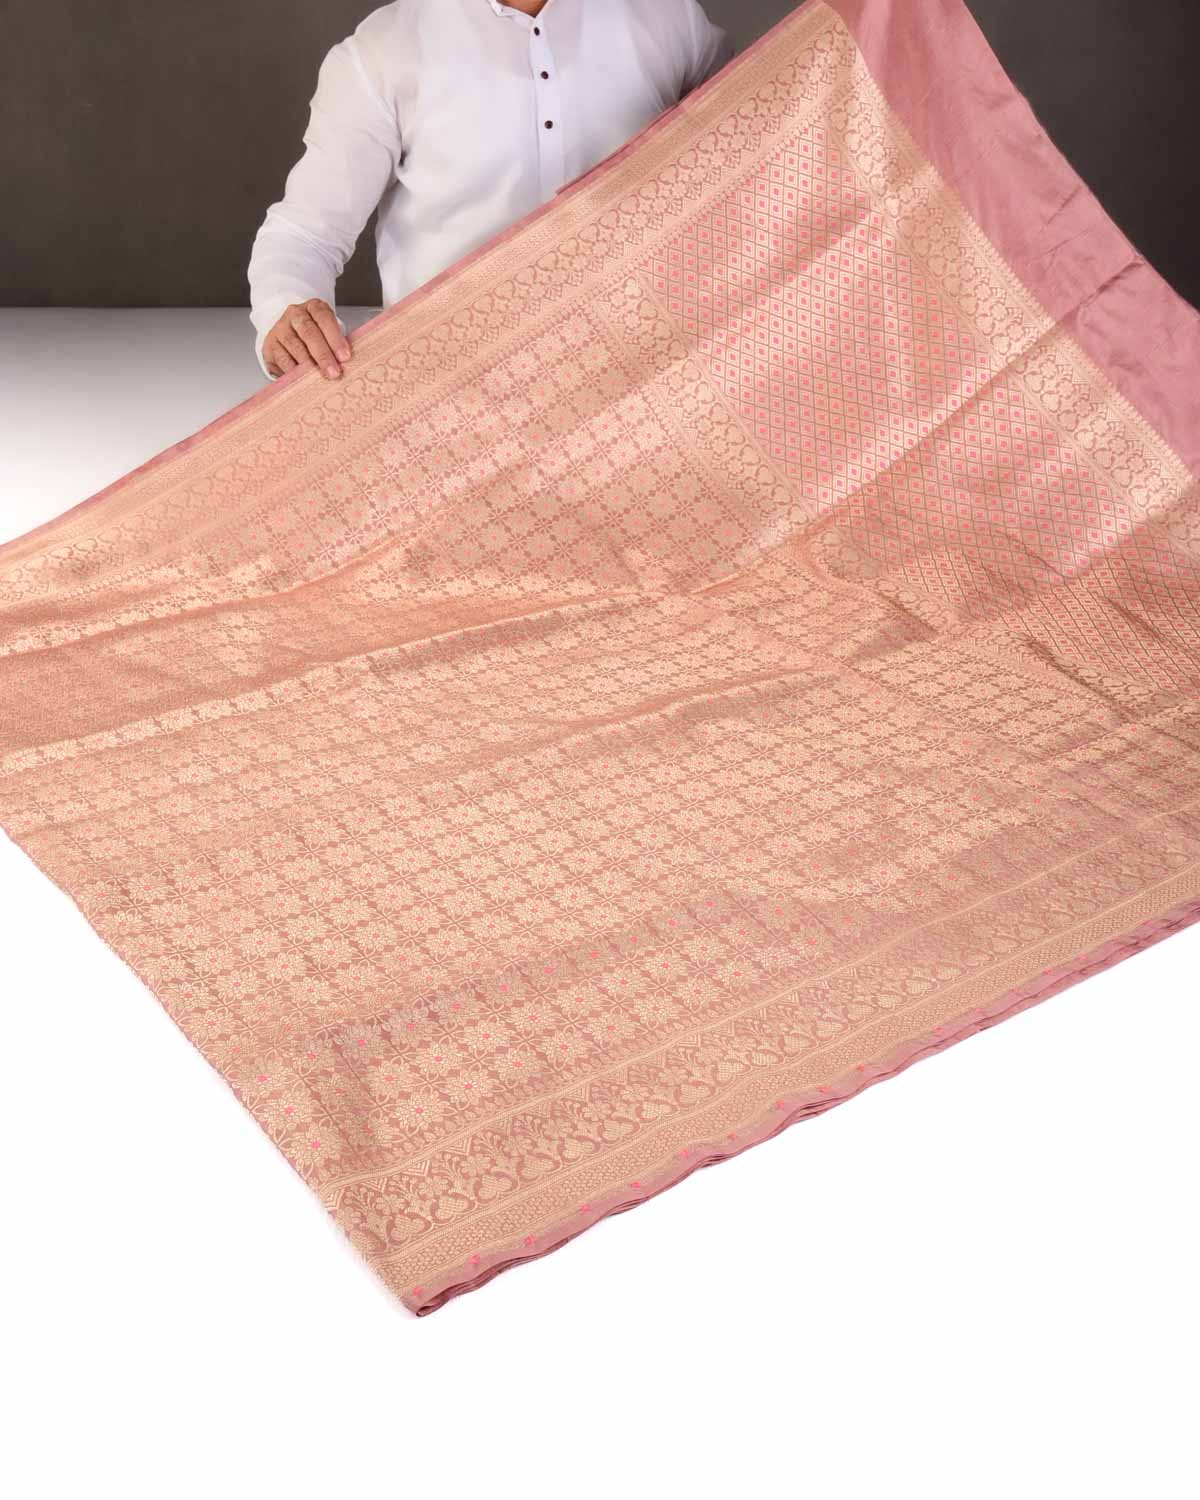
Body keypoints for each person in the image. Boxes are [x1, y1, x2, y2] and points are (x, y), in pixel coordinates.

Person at [247, 0, 732, 380]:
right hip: (449, 392)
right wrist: (286, 307)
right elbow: (306, 234)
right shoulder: (383, 52)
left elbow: (750, 143)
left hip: (646, 377)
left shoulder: (669, 18)